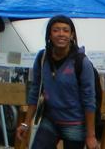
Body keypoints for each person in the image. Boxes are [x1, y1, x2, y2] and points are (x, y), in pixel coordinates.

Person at [17, 15, 99, 149]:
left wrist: (91, 136)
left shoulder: (81, 62)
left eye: (66, 30)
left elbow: (89, 100)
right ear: (49, 35)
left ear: (72, 35)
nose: (61, 34)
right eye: (56, 30)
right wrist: (26, 123)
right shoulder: (42, 58)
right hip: (50, 120)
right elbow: (35, 92)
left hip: (75, 124)